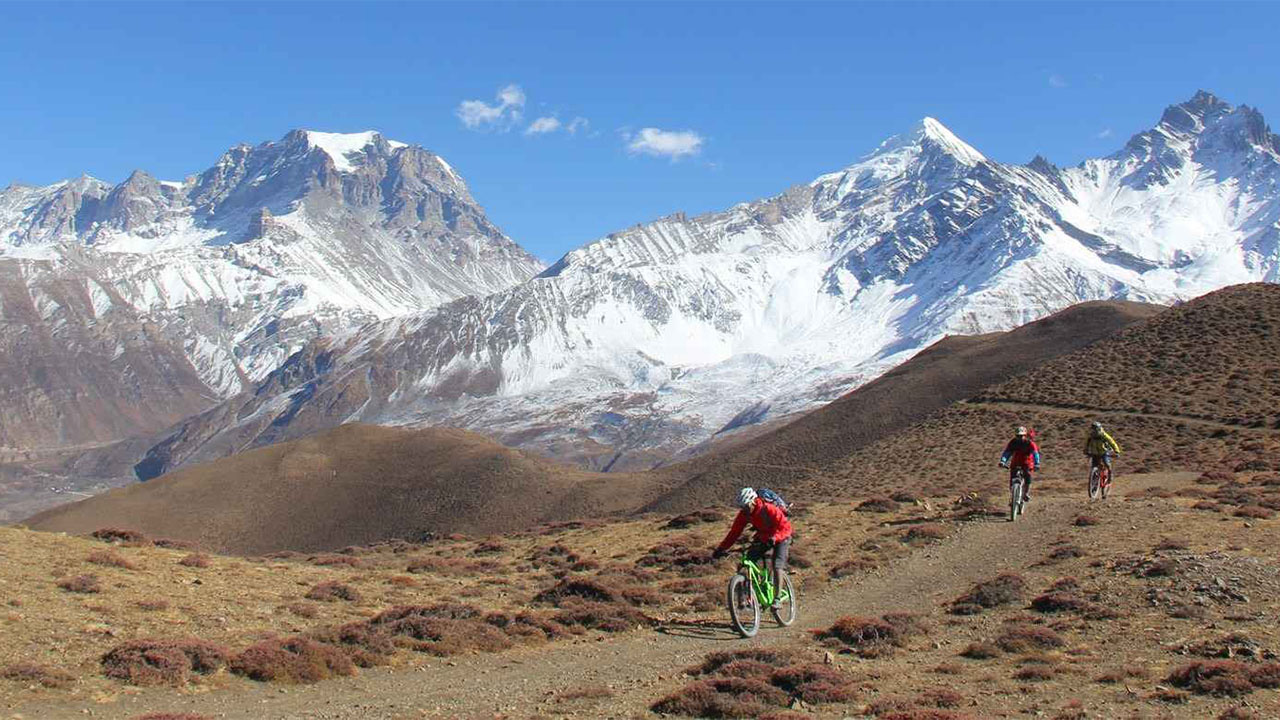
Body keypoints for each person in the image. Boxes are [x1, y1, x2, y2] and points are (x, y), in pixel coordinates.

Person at [712, 487, 793, 606]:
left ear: (753, 501)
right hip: (764, 538)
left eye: (746, 506)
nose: (744, 510)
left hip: (782, 537)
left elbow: (785, 527)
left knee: (777, 566)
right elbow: (734, 533)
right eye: (742, 507)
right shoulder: (744, 514)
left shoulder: (768, 508)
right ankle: (744, 599)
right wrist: (721, 549)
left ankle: (777, 599)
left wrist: (775, 538)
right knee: (745, 563)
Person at [1000, 426, 1041, 501]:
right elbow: (1007, 453)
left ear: (1025, 435)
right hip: (1015, 463)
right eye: (1017, 436)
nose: (1019, 437)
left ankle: (1026, 493)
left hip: (1027, 463)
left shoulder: (1030, 443)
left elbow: (1035, 454)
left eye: (1021, 436)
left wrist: (1037, 463)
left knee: (1027, 475)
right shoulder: (1013, 442)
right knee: (1012, 479)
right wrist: (1003, 461)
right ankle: (1012, 497)